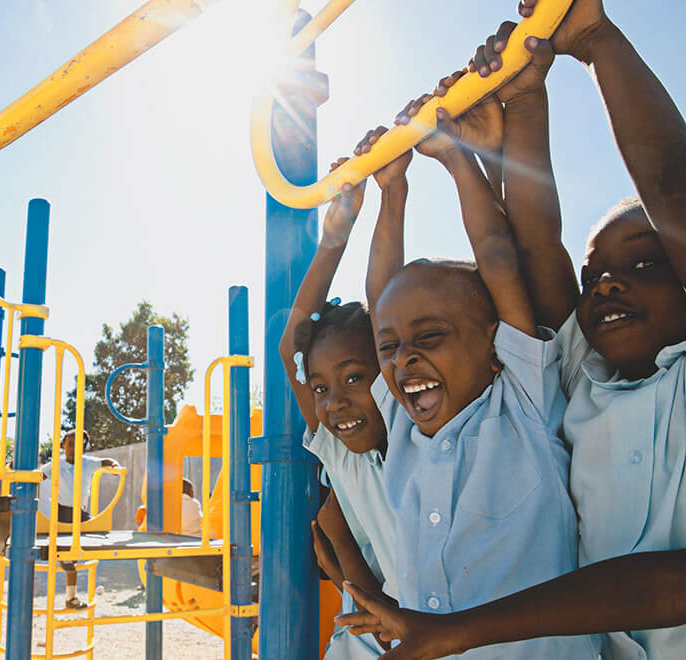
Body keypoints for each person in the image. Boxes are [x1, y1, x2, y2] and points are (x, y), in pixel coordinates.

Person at [341, 1, 686, 656]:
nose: (607, 284)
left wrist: (460, 159)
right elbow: (533, 249)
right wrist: (526, 97)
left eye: (647, 263)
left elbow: (517, 256)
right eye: (596, 276)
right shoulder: (586, 382)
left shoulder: (528, 399)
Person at [358, 47, 598, 655]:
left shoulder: (522, 401)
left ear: (494, 345)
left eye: (430, 338)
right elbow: (377, 302)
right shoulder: (404, 425)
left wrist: (457, 161)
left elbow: (497, 254)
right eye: (391, 348)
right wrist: (392, 192)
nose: (402, 359)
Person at [278, 167, 399, 659]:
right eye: (321, 388)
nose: (334, 403)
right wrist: (337, 232)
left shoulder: (422, 439)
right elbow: (293, 350)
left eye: (354, 378)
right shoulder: (345, 454)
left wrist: (395, 194)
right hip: (364, 643)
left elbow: (387, 303)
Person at [38, 429, 119, 610]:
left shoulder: (87, 463)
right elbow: (38, 475)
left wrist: (114, 466)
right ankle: (71, 596)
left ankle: (71, 597)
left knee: (97, 531)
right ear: (63, 446)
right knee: (68, 554)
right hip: (63, 512)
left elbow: (105, 462)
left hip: (80, 513)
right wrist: (18, 471)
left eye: (79, 445)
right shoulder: (56, 465)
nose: (75, 448)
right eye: (70, 444)